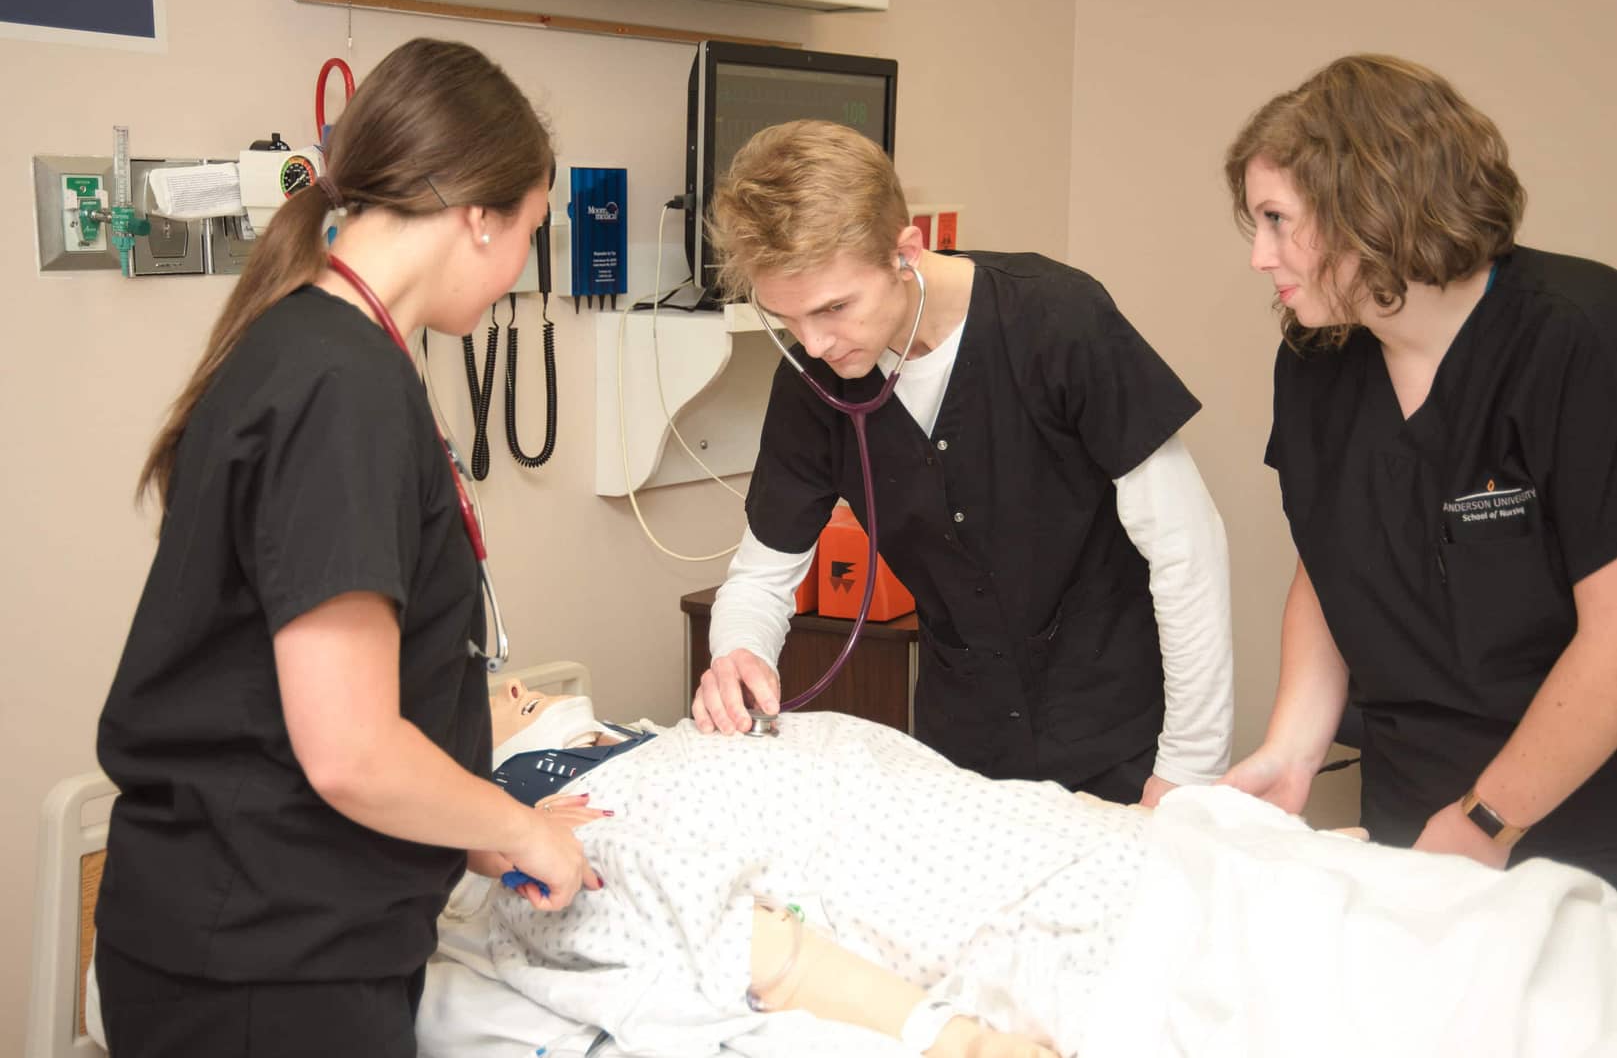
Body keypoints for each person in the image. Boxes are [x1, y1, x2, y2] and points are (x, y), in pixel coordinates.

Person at [93, 38, 602, 1058]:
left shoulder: (311, 346)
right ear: (478, 214)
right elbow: (350, 751)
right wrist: (517, 826)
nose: (516, 272)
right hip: (263, 970)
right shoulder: (345, 386)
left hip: (250, 933)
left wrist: (467, 823)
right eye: (531, 233)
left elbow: (292, 714)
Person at [463, 691, 1617, 1058]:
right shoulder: (556, 839)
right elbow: (755, 951)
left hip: (1105, 842)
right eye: (499, 696)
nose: (512, 687)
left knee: (1452, 923)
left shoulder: (722, 728)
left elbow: (921, 776)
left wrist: (1132, 811)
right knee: (1416, 995)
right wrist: (949, 1039)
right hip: (1055, 925)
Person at [691, 120, 1234, 806]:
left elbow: (1188, 549)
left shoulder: (1056, 320)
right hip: (960, 748)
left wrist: (1187, 772)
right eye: (787, 319)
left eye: (834, 308)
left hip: (1122, 737)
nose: (816, 343)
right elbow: (762, 578)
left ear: (905, 249)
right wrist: (737, 653)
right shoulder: (811, 384)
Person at [1219, 53, 1617, 883]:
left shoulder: (1578, 338)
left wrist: (1488, 817)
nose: (1261, 256)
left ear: (1369, 205)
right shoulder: (1317, 358)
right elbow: (1330, 560)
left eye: (1276, 219)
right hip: (1415, 809)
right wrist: (1292, 748)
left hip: (1580, 815)